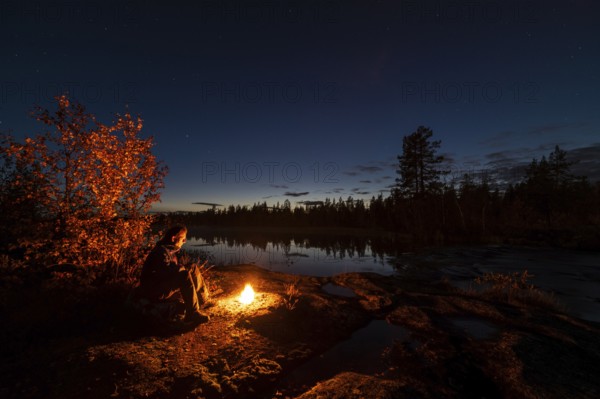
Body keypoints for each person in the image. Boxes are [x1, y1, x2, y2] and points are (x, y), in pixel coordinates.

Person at [139, 224, 210, 324]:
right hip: (155, 290)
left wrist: (181, 267)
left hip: (163, 284)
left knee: (192, 267)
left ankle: (202, 299)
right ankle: (192, 313)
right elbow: (165, 273)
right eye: (183, 239)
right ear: (173, 238)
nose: (185, 241)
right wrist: (180, 269)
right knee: (184, 275)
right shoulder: (161, 252)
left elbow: (171, 269)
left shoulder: (169, 250)